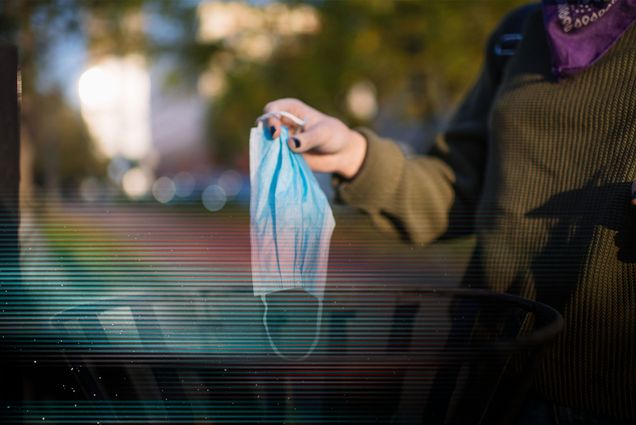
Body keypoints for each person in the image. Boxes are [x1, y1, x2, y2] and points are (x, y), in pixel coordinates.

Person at [263, 1, 636, 424]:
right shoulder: (518, 33)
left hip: (613, 390)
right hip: (490, 372)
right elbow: (456, 187)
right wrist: (355, 153)